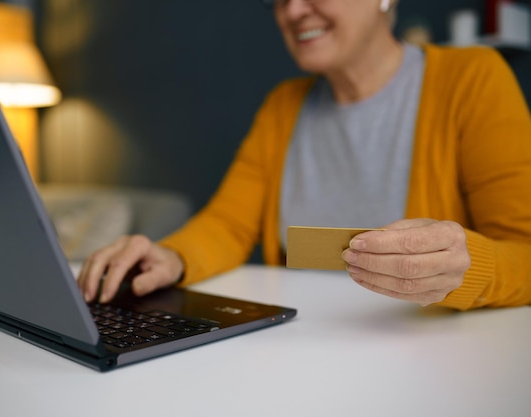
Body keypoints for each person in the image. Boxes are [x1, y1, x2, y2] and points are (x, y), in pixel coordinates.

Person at [78, 0, 531, 311]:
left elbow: (525, 254)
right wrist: (170, 256)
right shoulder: (283, 106)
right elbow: (229, 225)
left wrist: (466, 266)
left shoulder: (473, 80)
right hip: (297, 346)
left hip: (429, 360)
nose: (292, 10)